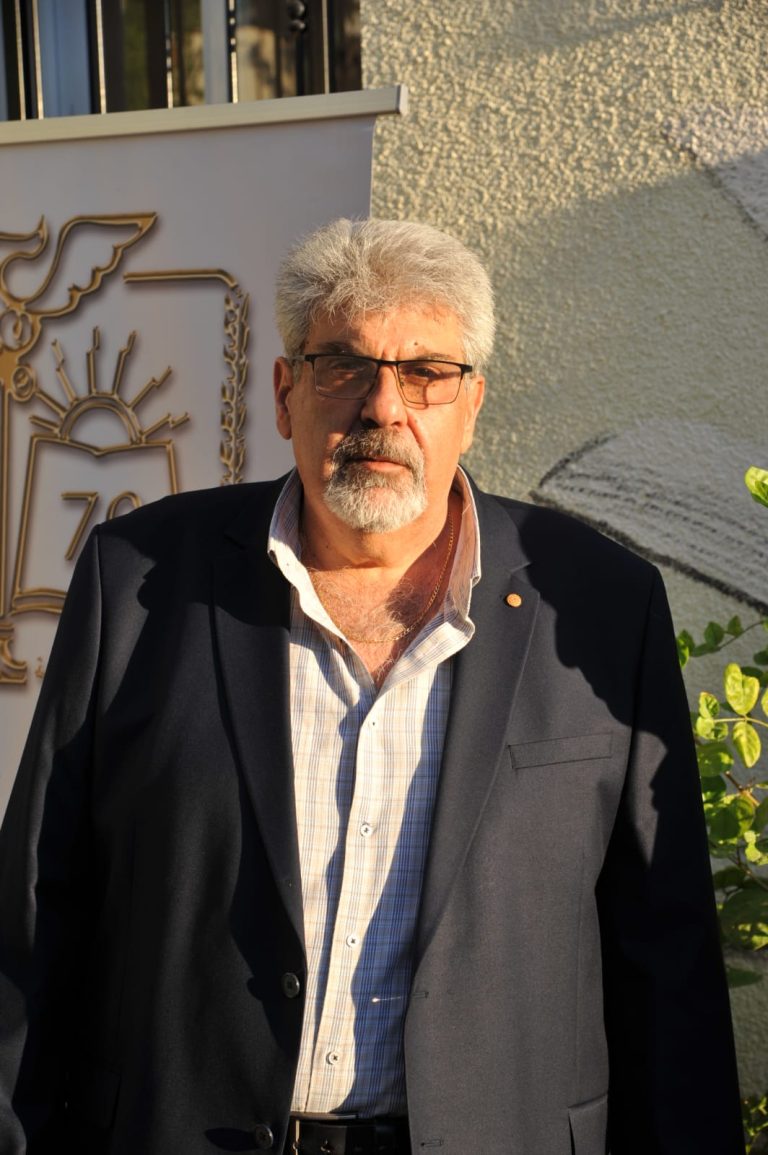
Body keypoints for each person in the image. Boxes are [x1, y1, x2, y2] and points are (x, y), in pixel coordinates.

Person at [0, 218, 744, 1155]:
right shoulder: (139, 580)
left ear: (471, 404)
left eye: (426, 372)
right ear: (286, 393)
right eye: (345, 366)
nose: (383, 406)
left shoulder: (599, 606)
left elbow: (665, 959)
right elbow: (38, 913)